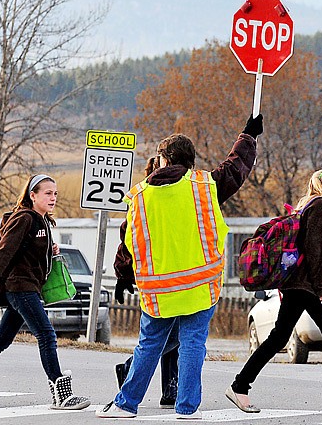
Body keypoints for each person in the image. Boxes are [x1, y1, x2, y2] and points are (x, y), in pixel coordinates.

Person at [97, 114, 262, 419]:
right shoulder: (205, 186)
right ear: (189, 160)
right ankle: (187, 408)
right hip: (201, 285)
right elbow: (236, 168)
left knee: (148, 345)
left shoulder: (141, 197)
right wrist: (249, 135)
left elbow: (128, 240)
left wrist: (122, 275)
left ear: (164, 158)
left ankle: (125, 404)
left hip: (160, 290)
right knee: (192, 345)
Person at [225, 169, 322, 415]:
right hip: (308, 286)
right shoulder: (321, 205)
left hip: (300, 285)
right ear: (320, 185)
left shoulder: (316, 207)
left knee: (285, 337)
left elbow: (320, 250)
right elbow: (315, 249)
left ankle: (240, 386)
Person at [0, 174, 90, 410]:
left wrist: (48, 250)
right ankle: (61, 395)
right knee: (46, 335)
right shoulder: (24, 218)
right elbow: (1, 254)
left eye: (55, 193)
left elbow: (28, 252)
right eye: (47, 193)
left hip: (27, 287)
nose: (53, 198)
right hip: (20, 288)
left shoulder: (41, 220)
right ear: (32, 195)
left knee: (1, 339)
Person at [113, 156, 180, 410]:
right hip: (153, 278)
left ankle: (169, 388)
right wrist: (123, 275)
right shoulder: (144, 201)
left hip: (165, 276)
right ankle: (134, 370)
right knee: (162, 335)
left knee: (170, 335)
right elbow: (127, 241)